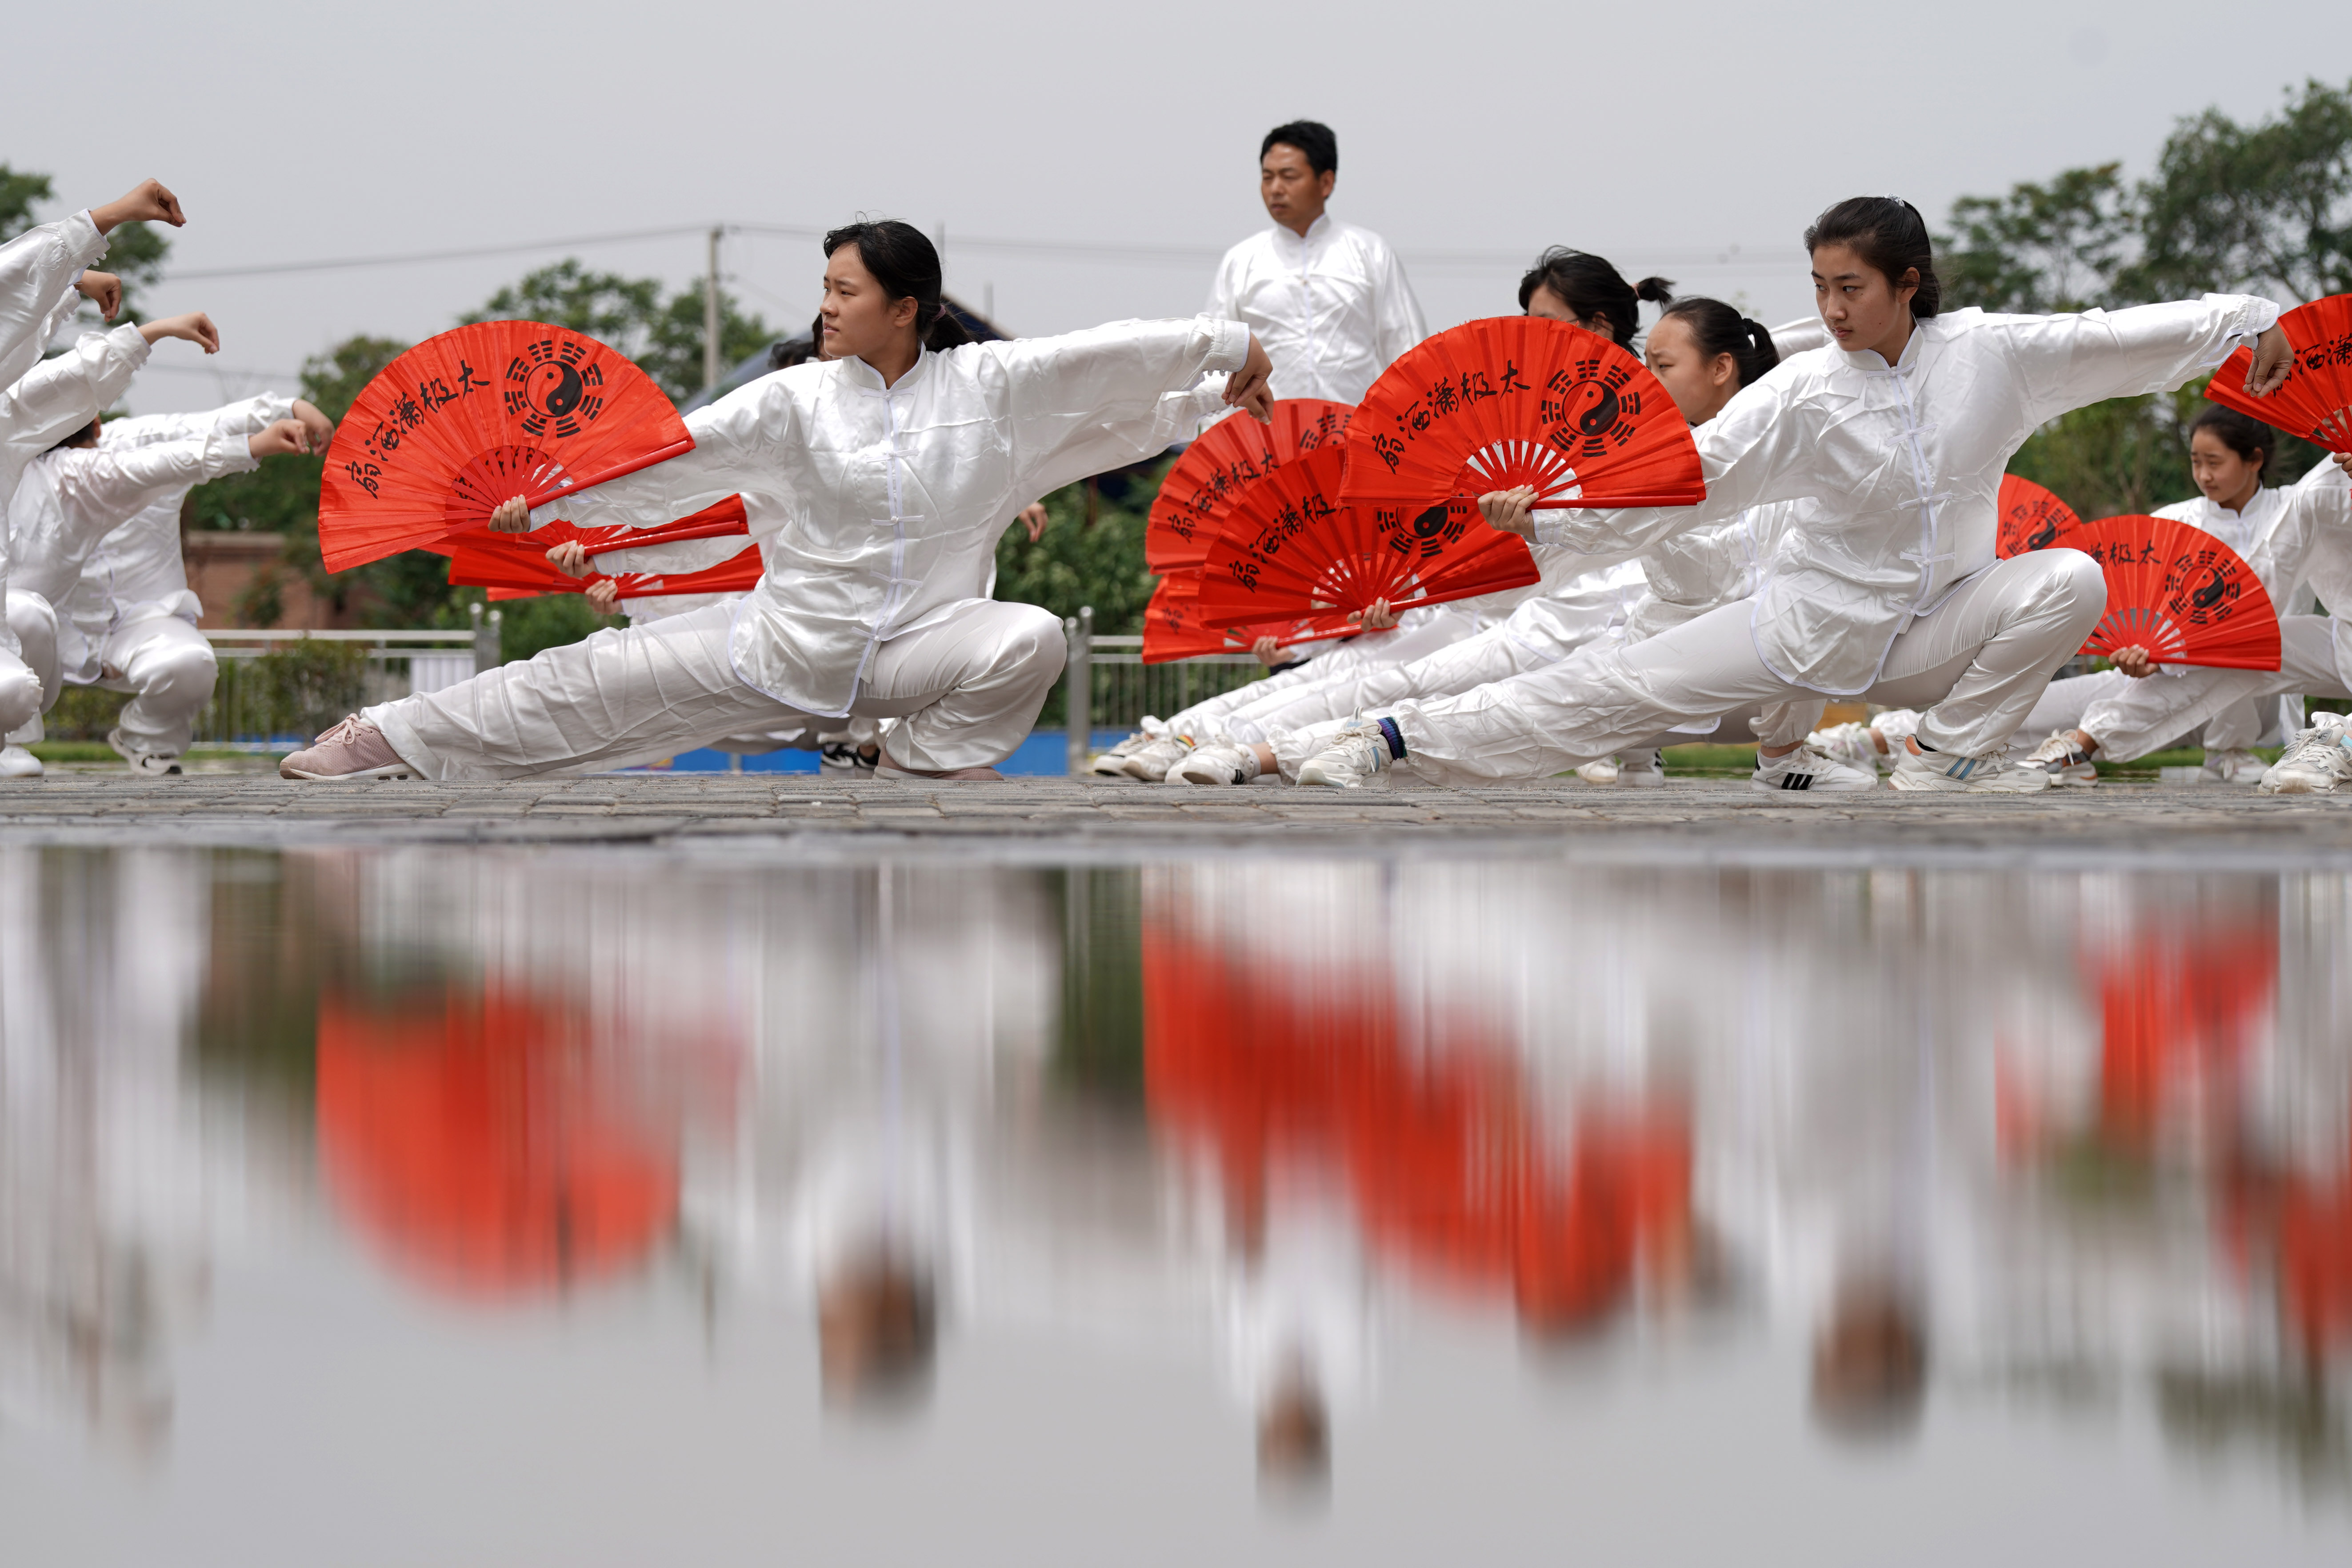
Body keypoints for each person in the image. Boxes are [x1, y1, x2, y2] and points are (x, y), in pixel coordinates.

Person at [1282, 196, 2292, 794]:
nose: (1830, 308)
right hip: (1807, 625)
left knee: (2067, 579)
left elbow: (2110, 338)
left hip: (1937, 627)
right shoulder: (1805, 392)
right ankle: (1387, 742)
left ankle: (1941, 761)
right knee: (1612, 694)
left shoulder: (1993, 357)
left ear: (1908, 282)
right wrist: (1549, 518)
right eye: (1819, 286)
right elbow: (1691, 480)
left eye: (1850, 287)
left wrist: (2246, 319)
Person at [279, 220, 1273, 783]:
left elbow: (1100, 363)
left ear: (907, 309)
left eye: (848, 291)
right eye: (826, 287)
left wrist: (1223, 357)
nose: (828, 306)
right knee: (579, 684)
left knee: (1033, 638)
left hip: (915, 652)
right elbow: (669, 456)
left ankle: (905, 760)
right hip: (779, 644)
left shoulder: (990, 390)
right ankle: (387, 737)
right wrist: (543, 503)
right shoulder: (793, 399)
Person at [1167, 296, 1797, 788]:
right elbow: (1535, 564)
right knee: (1443, 693)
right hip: (1582, 633)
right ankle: (1239, 743)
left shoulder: (1763, 463)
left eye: (1663, 368)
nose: (1536, 335)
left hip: (1703, 656)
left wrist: (1785, 748)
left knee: (1494, 708)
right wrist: (1449, 574)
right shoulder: (1629, 456)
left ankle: (1266, 746)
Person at [1089, 248, 1667, 784]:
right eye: (1528, 325)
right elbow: (1453, 534)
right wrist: (1408, 588)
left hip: (1566, 614)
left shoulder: (1640, 429)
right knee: (1356, 668)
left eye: (1548, 325)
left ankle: (1242, 749)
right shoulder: (1525, 413)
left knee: (1399, 683)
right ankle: (1186, 733)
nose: (1533, 339)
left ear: (1599, 328)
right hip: (1484, 605)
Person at [2000, 418, 2352, 786]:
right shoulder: (2315, 494)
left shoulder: (2289, 501)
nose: (2204, 474)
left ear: (2254, 460)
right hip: (2176, 674)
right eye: (2196, 461)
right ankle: (2076, 747)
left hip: (2249, 707)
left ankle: (2335, 743)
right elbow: (2252, 599)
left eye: (2214, 462)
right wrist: (2162, 653)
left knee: (2239, 643)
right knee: (2237, 645)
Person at [8, 396, 332, 777]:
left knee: (190, 662)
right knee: (20, 615)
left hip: (140, 620)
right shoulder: (17, 472)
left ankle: (149, 741)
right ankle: (7, 739)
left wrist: (289, 407)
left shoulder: (136, 442)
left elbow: (210, 426)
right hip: (49, 632)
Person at [1203, 120, 1426, 406]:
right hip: (1268, 439)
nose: (1276, 189)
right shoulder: (1241, 261)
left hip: (1355, 436)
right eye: (1268, 177)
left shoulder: (1370, 252)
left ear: (1326, 182)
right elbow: (1218, 360)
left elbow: (1407, 353)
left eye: (1289, 176)